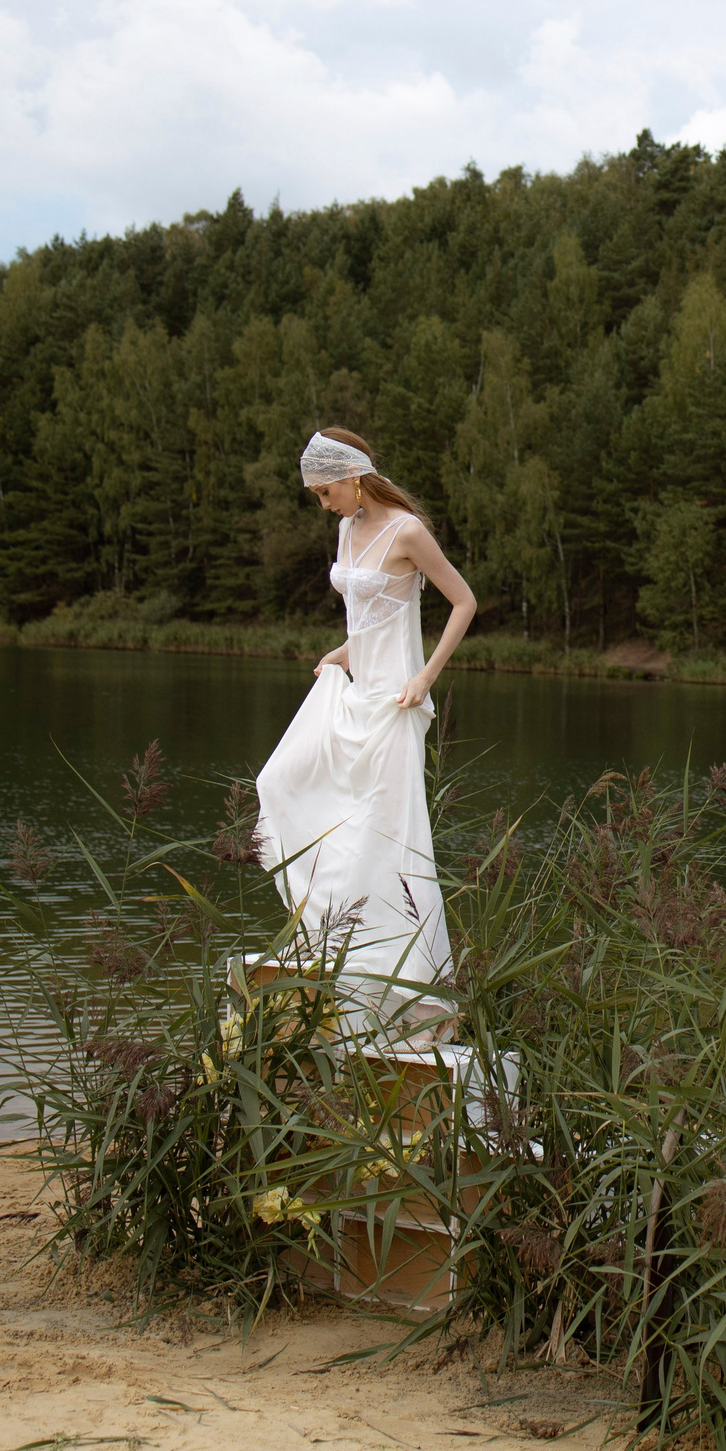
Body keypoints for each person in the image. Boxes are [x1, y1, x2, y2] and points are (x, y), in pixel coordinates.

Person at [254, 427, 477, 1041]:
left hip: (395, 704)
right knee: (279, 783)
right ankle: (333, 942)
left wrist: (425, 677)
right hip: (354, 694)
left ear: (352, 478)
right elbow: (371, 620)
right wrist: (342, 653)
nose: (323, 504)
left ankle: (411, 994)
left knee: (387, 839)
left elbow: (464, 602)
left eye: (325, 492)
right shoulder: (347, 530)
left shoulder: (407, 531)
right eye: (318, 496)